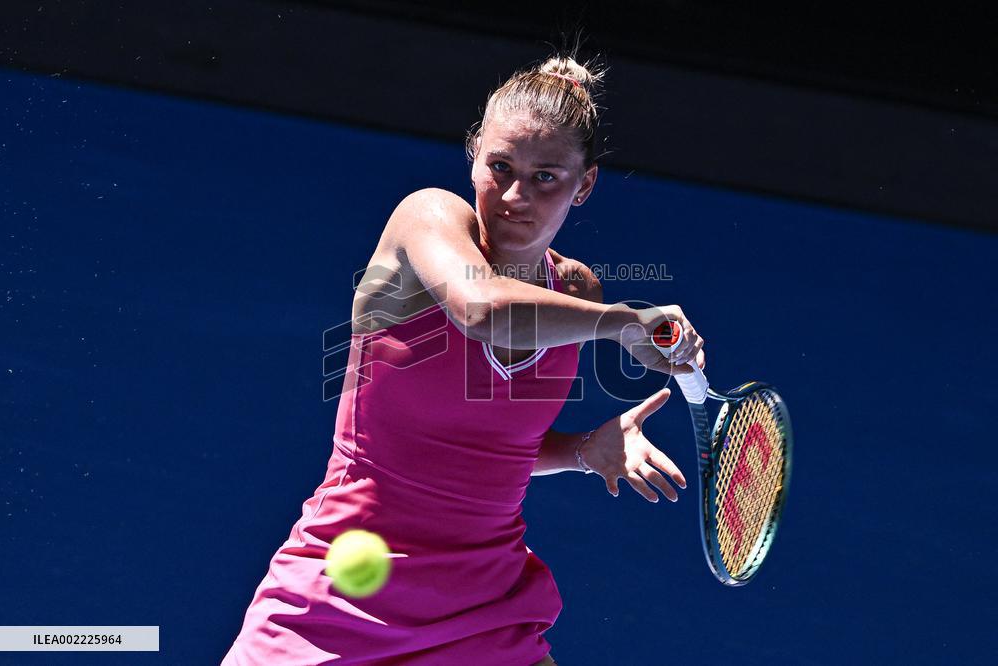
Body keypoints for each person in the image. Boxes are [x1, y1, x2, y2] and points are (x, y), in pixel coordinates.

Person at [222, 52, 704, 666]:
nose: (512, 195)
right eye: (498, 166)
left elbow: (483, 451)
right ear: (473, 153)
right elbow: (481, 309)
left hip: (482, 610)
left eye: (545, 177)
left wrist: (585, 451)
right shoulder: (425, 219)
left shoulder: (576, 293)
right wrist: (624, 325)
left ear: (584, 185)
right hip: (334, 599)